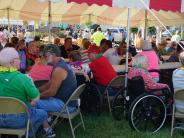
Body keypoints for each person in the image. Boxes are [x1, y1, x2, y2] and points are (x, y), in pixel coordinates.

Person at [0, 48, 55, 138]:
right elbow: (36, 98)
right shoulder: (23, 78)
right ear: (12, 62)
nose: (20, 60)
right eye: (19, 59)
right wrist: (32, 83)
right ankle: (26, 135)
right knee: (43, 113)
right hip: (18, 121)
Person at [36, 44, 78, 113]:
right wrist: (36, 90)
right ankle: (46, 120)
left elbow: (52, 92)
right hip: (67, 102)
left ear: (52, 55)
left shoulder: (59, 69)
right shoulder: (61, 63)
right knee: (36, 99)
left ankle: (40, 120)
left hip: (66, 105)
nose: (43, 58)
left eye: (45, 56)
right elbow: (50, 83)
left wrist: (35, 96)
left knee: (29, 103)